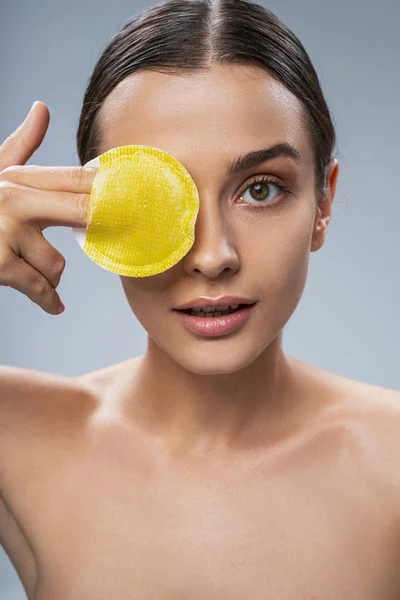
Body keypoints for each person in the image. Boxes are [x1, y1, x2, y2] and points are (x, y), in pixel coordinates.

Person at [1, 0, 399, 598]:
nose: (213, 255)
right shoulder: (15, 432)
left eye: (260, 189)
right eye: (151, 200)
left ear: (322, 204)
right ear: (89, 214)